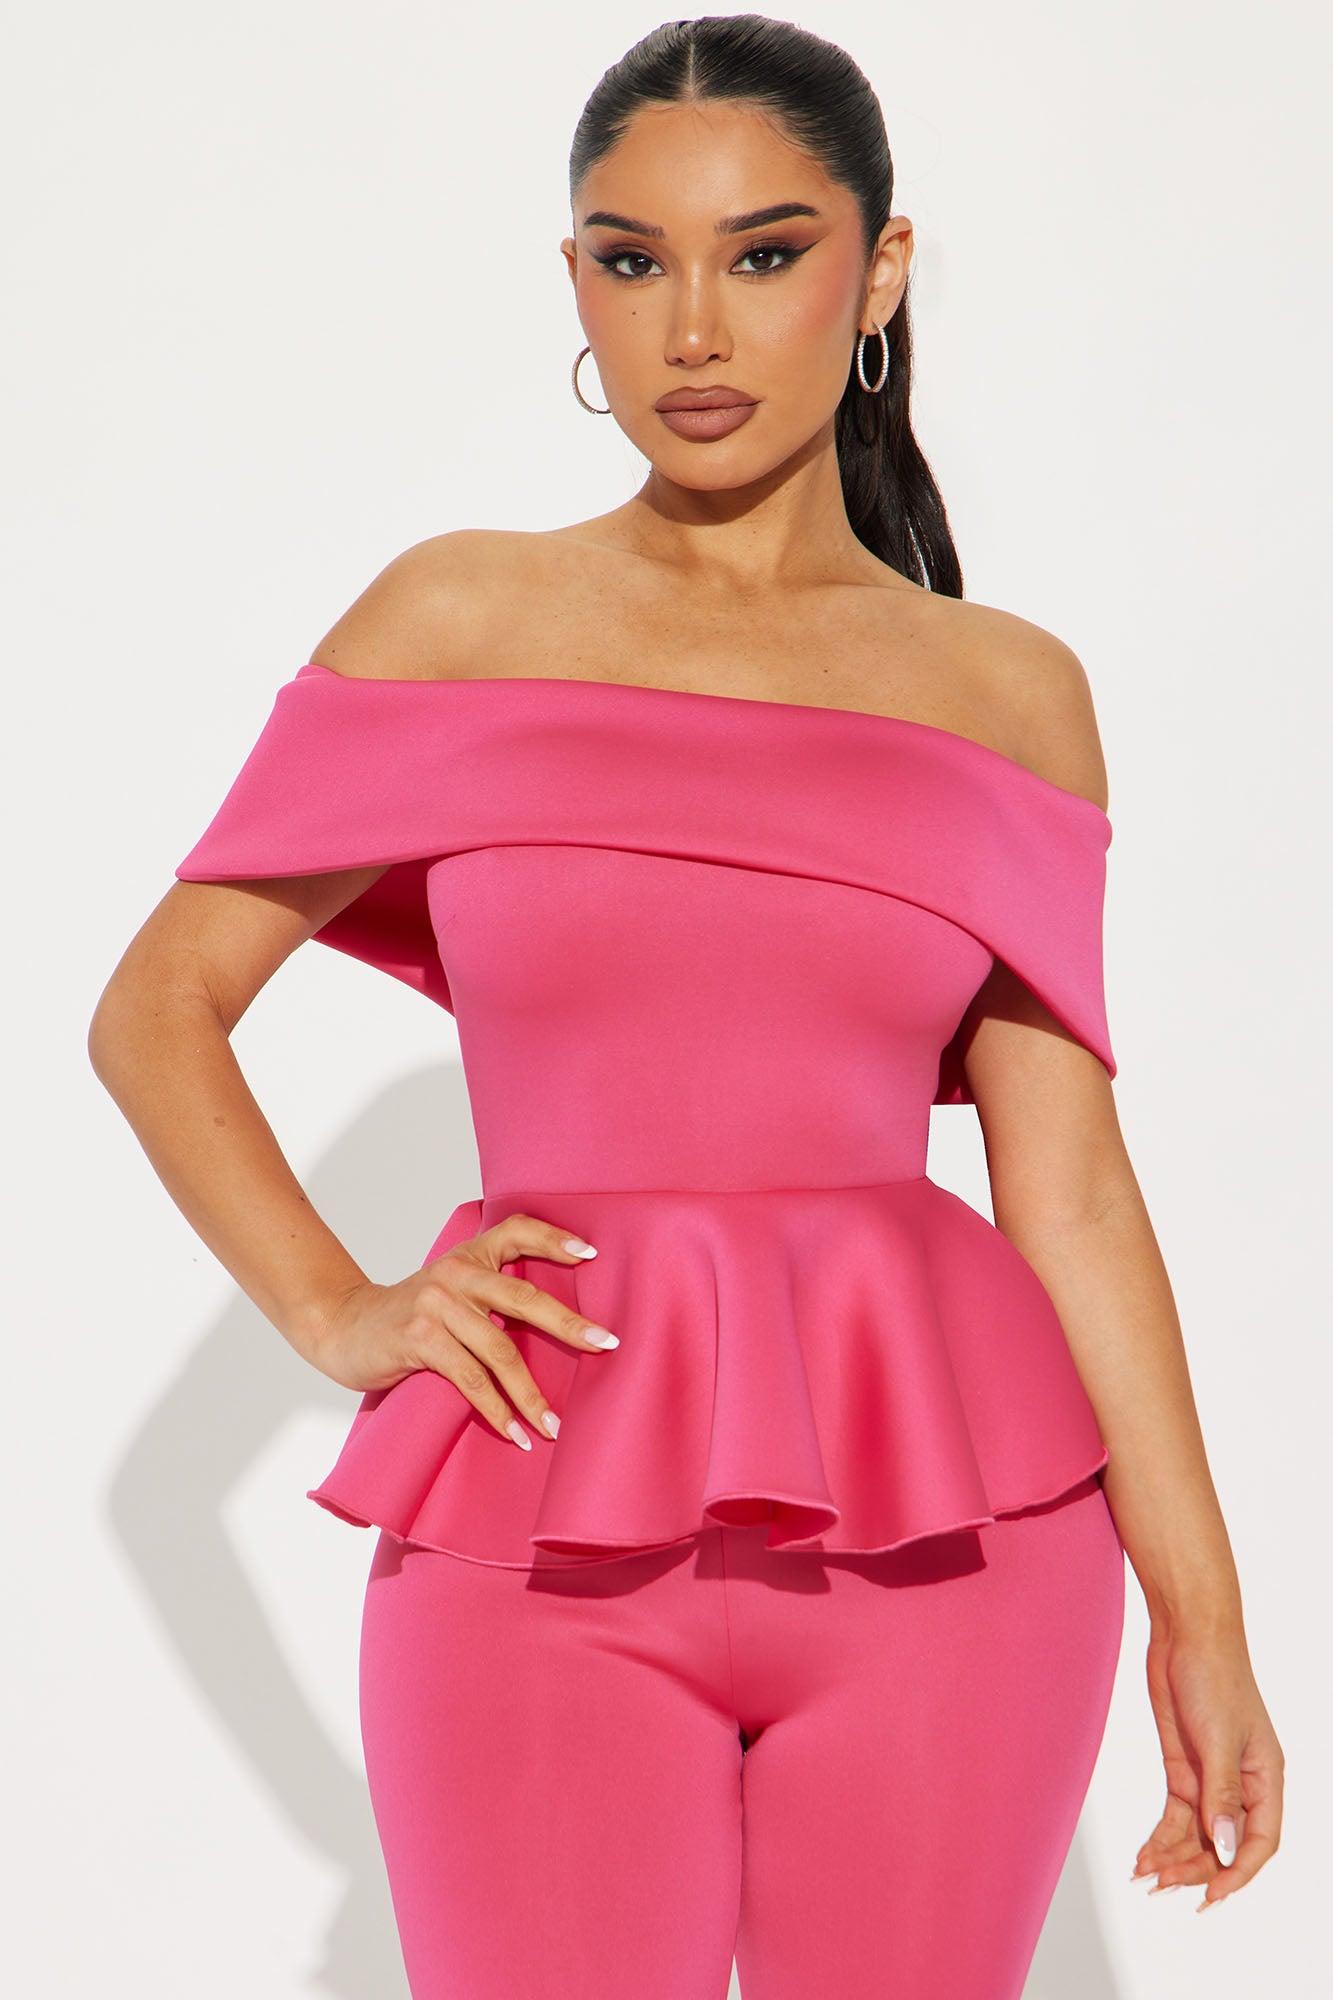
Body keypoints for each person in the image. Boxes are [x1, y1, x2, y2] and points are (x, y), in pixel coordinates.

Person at [88, 14, 1283, 1998]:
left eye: (765, 252)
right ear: (575, 282)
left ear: (879, 274)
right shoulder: (457, 620)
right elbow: (156, 1011)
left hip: (954, 1545)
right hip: (532, 1515)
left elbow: (1066, 1190)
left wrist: (1205, 1616)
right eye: (631, 260)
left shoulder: (1005, 694)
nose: (694, 329)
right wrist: (341, 1310)